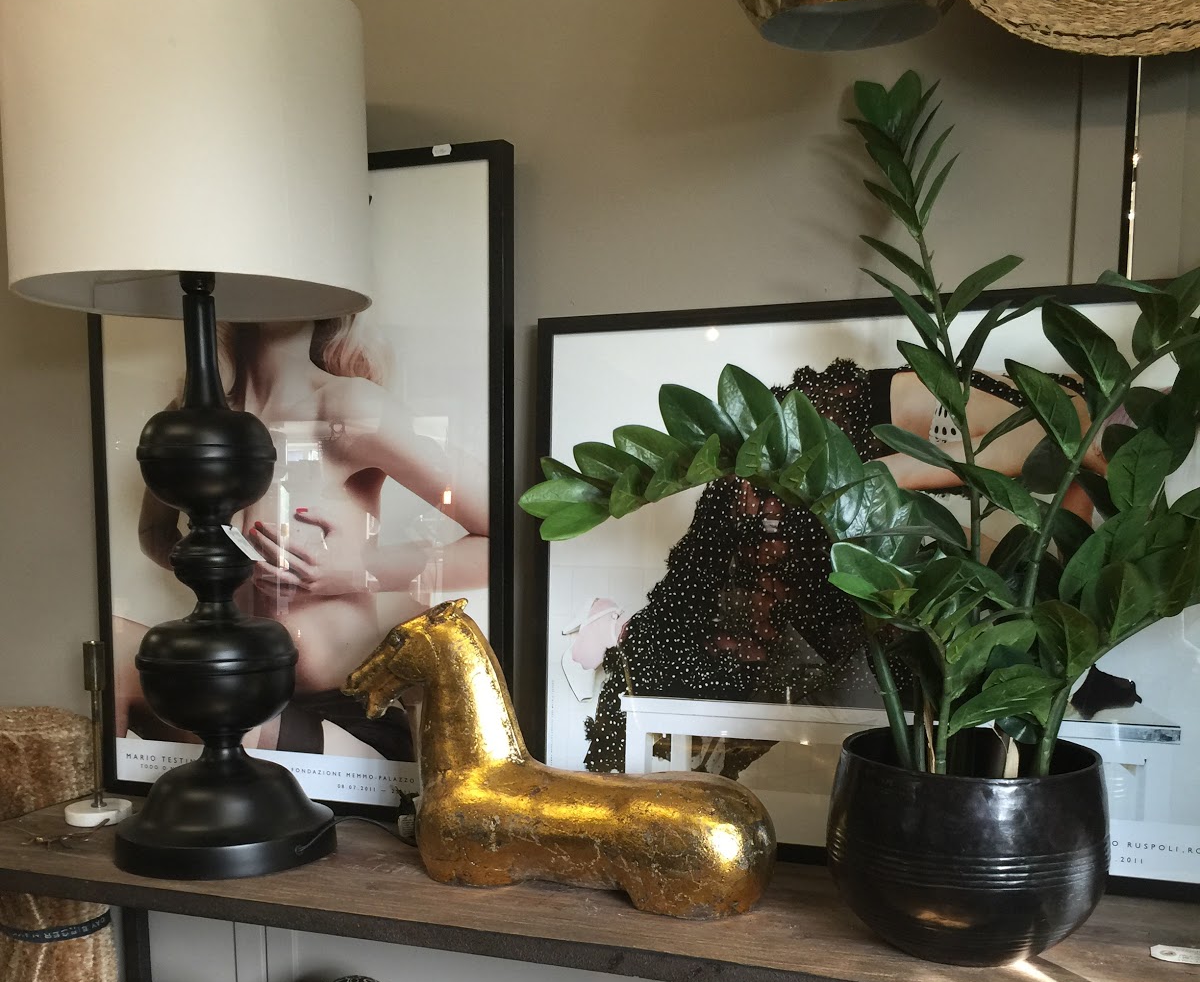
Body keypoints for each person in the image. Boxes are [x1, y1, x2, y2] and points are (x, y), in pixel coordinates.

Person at [582, 356, 1108, 774]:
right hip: (810, 478)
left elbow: (1031, 559)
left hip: (816, 510)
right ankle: (648, 737)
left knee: (746, 642)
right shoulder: (1055, 423)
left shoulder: (1073, 444)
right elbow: (879, 487)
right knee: (725, 626)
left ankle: (660, 744)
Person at [125, 315, 488, 759]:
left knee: (206, 697)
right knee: (117, 645)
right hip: (238, 690)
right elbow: (155, 534)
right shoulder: (192, 420)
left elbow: (505, 541)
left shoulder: (346, 408)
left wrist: (352, 572)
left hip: (345, 719)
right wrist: (216, 565)